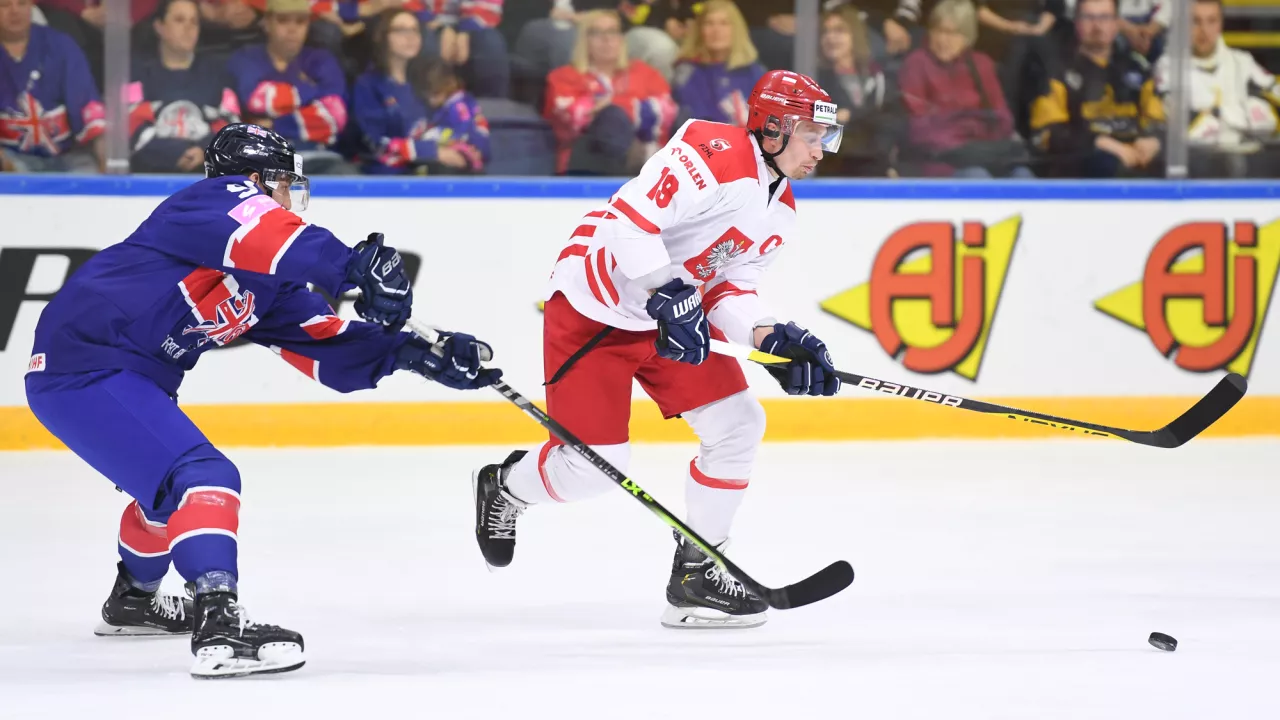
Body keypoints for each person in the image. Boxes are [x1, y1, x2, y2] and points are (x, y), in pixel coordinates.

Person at [24, 123, 501, 678]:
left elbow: (326, 346)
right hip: (85, 365)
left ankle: (134, 599)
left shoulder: (266, 281)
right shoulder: (206, 202)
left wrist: (416, 354)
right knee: (205, 477)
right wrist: (352, 265)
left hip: (119, 377)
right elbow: (267, 230)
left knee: (167, 498)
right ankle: (219, 626)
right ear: (253, 180)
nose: (291, 199)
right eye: (284, 185)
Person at [471, 69, 845, 630]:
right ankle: (506, 487)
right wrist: (665, 291)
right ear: (773, 128)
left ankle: (698, 573)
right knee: (592, 472)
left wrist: (768, 336)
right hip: (596, 310)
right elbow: (629, 221)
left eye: (825, 137)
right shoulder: (712, 153)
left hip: (671, 319)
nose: (820, 150)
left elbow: (729, 287)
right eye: (811, 135)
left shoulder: (781, 207)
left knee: (739, 425)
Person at [898, 0, 1033, 178]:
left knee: (1023, 176)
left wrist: (972, 134)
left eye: (952, 33)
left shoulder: (981, 64)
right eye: (938, 31)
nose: (943, 40)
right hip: (941, 160)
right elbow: (917, 127)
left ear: (967, 37)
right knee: (976, 176)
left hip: (984, 153)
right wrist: (964, 134)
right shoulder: (916, 64)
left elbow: (1003, 119)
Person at [1029, 0, 1165, 177]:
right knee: (1107, 163)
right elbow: (1046, 134)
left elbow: (1158, 121)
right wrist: (1098, 142)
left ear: (1116, 23)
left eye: (1105, 18)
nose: (1097, 26)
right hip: (1082, 171)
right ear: (1077, 23)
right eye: (1088, 17)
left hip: (1137, 164)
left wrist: (1154, 140)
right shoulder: (1056, 72)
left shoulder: (1137, 69)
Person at [353, 9, 490, 174]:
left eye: (415, 30)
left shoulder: (431, 80)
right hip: (389, 178)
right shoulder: (368, 85)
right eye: (401, 30)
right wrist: (431, 151)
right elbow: (372, 143)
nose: (410, 37)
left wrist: (465, 152)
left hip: (439, 171)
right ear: (381, 36)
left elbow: (471, 123)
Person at [1155, 0, 1280, 178]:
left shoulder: (1242, 62)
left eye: (1211, 21)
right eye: (1195, 21)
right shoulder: (1168, 67)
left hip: (1253, 159)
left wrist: (1217, 115)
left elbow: (1275, 102)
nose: (1204, 30)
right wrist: (1243, 116)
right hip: (1196, 163)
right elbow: (1183, 127)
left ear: (1220, 24)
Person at [544, 8, 676, 174]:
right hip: (587, 163)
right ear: (583, 40)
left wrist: (616, 104)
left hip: (649, 162)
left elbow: (668, 111)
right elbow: (574, 118)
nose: (607, 39)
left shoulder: (644, 71)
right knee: (611, 119)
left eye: (613, 32)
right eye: (597, 33)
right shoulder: (563, 77)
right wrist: (637, 108)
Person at [227, 0, 349, 172]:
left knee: (346, 174)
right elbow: (256, 100)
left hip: (319, 158)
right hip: (259, 159)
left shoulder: (322, 60)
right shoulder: (245, 58)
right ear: (267, 23)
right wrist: (310, 90)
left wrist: (274, 126)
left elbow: (335, 116)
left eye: (300, 21)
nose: (292, 29)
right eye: (283, 20)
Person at [128, 0, 241, 173]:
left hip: (205, 174)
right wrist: (175, 154)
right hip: (149, 176)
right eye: (179, 20)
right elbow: (129, 124)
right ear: (159, 27)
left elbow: (232, 125)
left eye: (194, 22)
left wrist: (204, 150)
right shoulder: (136, 75)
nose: (188, 28)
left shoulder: (219, 75)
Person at [1, 0, 104, 172]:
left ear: (32, 6)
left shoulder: (61, 44)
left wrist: (104, 152)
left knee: (88, 173)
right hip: (9, 159)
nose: (15, 11)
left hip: (67, 156)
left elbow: (87, 104)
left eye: (22, 3)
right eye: (4, 5)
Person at [817, 4, 900, 176]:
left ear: (855, 35)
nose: (830, 37)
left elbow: (892, 128)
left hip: (877, 170)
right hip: (833, 174)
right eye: (826, 32)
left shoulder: (878, 78)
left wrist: (848, 118)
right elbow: (824, 143)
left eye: (839, 30)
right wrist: (863, 124)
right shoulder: (815, 82)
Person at [671, 0, 765, 127]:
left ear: (737, 30)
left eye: (724, 23)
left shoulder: (754, 72)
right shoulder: (687, 72)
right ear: (699, 30)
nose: (716, 30)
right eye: (709, 23)